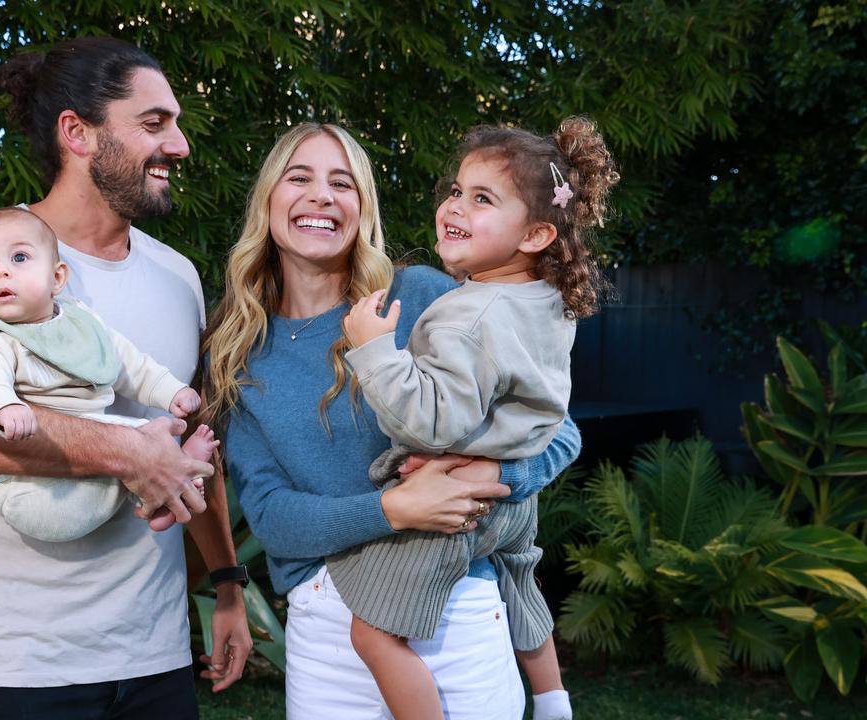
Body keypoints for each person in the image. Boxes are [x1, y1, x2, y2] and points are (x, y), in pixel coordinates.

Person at [0, 36, 251, 718]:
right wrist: (121, 449)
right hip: (22, 661)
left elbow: (195, 449)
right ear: (77, 132)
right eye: (153, 123)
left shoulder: (177, 277)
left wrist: (228, 583)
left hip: (157, 654)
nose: (179, 146)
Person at [201, 122, 581, 720]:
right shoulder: (238, 348)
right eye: (299, 178)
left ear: (363, 206)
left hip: (452, 605)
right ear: (269, 199)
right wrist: (392, 510)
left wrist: (494, 470)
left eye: (342, 183)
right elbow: (272, 518)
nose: (321, 195)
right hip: (325, 622)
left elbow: (558, 429)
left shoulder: (426, 296)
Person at [329, 117, 619, 720]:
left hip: (462, 505)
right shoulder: (544, 302)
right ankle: (553, 699)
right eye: (457, 191)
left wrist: (374, 350)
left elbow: (433, 424)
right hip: (516, 501)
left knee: (371, 635)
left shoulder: (467, 314)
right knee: (519, 581)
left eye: (482, 198)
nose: (454, 206)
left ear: (537, 233)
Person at [0, 207, 218, 542]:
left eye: (19, 257)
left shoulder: (80, 321)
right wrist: (3, 407)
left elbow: (127, 363)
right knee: (135, 439)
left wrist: (169, 391)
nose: (0, 272)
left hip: (97, 453)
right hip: (28, 486)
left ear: (57, 278)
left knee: (136, 437)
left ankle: (165, 489)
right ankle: (166, 479)